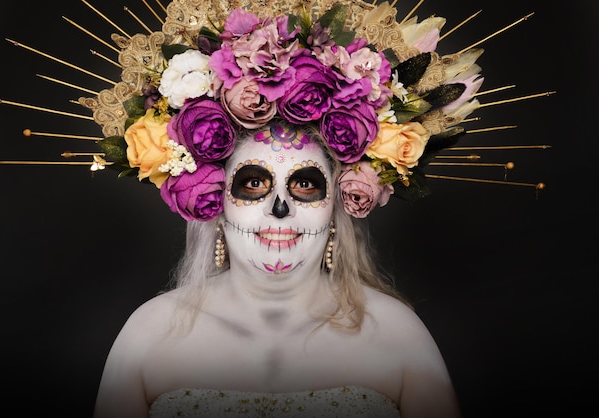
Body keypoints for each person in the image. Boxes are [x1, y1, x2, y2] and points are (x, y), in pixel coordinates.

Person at [92, 121, 462, 418]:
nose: (280, 208)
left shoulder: (399, 334)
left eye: (305, 184)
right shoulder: (148, 333)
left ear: (335, 207)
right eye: (253, 183)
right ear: (216, 205)